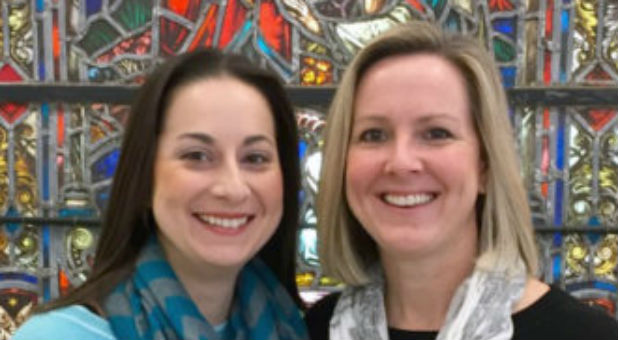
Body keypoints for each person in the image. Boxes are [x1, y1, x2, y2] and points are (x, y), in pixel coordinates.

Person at [305, 21, 618, 340]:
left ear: (484, 164)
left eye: (436, 133)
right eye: (373, 135)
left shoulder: (586, 334)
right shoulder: (310, 330)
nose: (401, 162)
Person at [13, 49, 308, 340]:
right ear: (146, 172)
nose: (232, 188)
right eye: (197, 155)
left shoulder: (301, 327)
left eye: (255, 158)